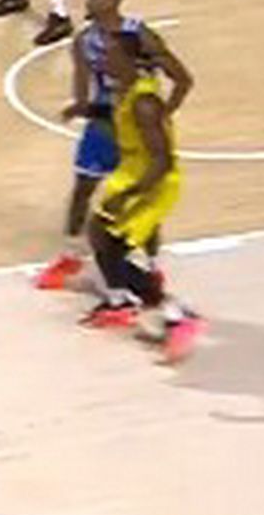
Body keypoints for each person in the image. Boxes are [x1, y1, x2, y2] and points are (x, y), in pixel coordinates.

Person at [36, 0, 193, 291]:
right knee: (83, 189)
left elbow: (183, 79)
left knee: (141, 198)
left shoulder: (139, 36)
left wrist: (165, 112)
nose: (89, 1)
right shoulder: (84, 40)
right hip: (104, 125)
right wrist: (79, 106)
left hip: (136, 128)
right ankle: (70, 255)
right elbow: (83, 88)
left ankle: (151, 265)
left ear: (114, 0)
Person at [80, 30, 205, 363]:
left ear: (129, 61)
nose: (103, 59)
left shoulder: (145, 104)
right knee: (100, 237)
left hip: (152, 181)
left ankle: (175, 313)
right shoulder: (127, 91)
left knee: (110, 246)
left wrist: (130, 195)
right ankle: (124, 301)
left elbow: (162, 161)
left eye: (110, 55)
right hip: (132, 173)